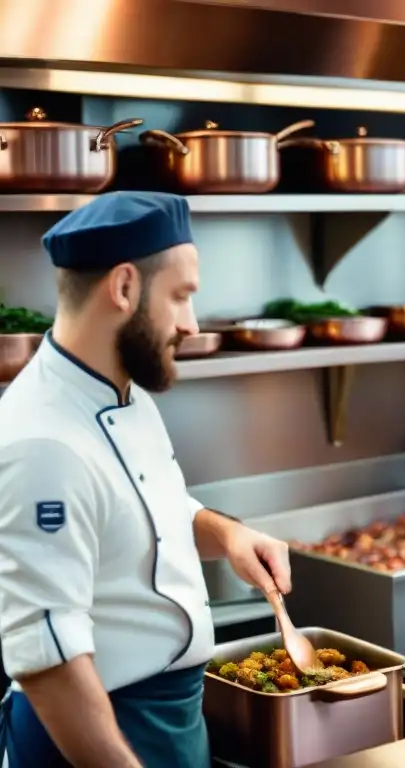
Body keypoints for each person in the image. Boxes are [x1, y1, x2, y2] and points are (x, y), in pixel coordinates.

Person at [0, 192, 294, 768]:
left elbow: (151, 510)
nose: (190, 323)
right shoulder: (43, 442)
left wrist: (229, 537)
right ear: (125, 287)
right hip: (99, 735)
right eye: (181, 297)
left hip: (170, 722)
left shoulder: (121, 391)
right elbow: (48, 662)